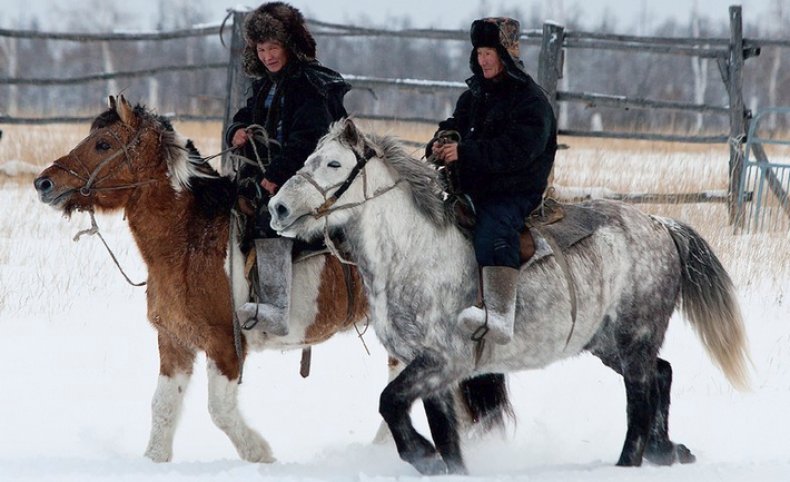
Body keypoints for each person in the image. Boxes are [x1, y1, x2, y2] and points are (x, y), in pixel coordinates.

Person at [429, 17, 557, 345]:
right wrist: (440, 142)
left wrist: (466, 153)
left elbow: (518, 150)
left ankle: (499, 314)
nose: (483, 59)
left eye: (489, 52)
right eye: (479, 52)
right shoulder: (474, 95)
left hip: (514, 189)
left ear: (506, 54)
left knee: (493, 226)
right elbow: (454, 122)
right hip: (471, 185)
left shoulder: (531, 101)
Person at [227, 2, 351, 336]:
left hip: (305, 179)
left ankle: (276, 308)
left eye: (274, 47)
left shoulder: (309, 85)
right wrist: (236, 131)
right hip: (267, 173)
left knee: (271, 219)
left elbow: (308, 139)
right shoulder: (265, 84)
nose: (267, 56)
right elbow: (245, 115)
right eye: (261, 49)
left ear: (290, 45)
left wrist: (276, 176)